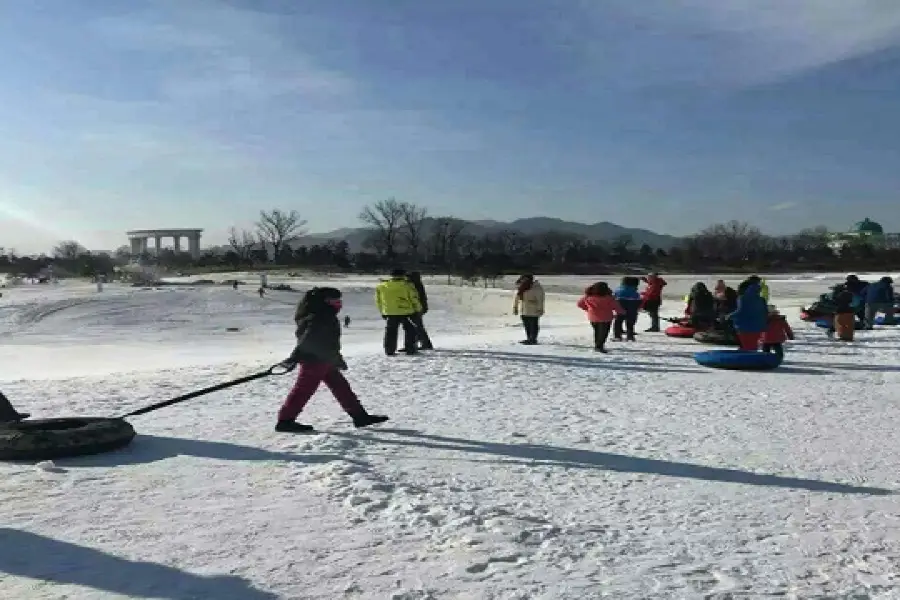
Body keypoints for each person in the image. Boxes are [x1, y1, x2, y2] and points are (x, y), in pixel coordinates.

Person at [277, 287, 388, 433]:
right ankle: (285, 421)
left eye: (339, 300)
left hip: (325, 359)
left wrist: (336, 358)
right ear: (324, 301)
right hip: (314, 360)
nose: (339, 303)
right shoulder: (320, 316)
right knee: (303, 390)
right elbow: (307, 340)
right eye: (335, 300)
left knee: (341, 387)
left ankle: (360, 417)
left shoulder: (321, 314)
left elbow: (328, 342)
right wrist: (294, 357)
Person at [375, 268, 422, 355]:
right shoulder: (407, 285)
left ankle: (389, 350)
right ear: (403, 275)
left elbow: (378, 301)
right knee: (410, 329)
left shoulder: (381, 286)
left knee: (390, 331)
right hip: (406, 311)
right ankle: (410, 348)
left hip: (390, 312)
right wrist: (418, 309)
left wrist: (382, 311)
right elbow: (414, 298)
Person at [577, 282, 624, 353]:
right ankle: (599, 346)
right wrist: (622, 312)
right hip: (606, 318)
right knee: (603, 333)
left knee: (597, 331)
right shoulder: (609, 298)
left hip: (593, 317)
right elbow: (616, 307)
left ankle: (597, 345)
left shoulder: (588, 297)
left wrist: (587, 309)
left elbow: (579, 304)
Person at [728, 280, 768, 351]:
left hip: (744, 327)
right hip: (757, 327)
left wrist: (729, 316)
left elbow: (740, 311)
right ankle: (750, 357)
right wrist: (764, 326)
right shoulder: (762, 300)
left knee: (746, 345)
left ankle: (745, 358)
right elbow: (765, 313)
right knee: (753, 345)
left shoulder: (742, 298)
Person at [512, 274, 545, 344]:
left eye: (525, 279)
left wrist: (540, 308)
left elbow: (540, 299)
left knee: (533, 325)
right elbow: (516, 298)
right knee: (527, 325)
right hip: (524, 309)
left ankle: (533, 339)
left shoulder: (536, 287)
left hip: (534, 309)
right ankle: (529, 338)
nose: (524, 280)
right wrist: (515, 307)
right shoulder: (521, 287)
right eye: (523, 279)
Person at [406, 271, 434, 350]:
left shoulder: (414, 285)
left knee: (417, 327)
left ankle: (425, 344)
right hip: (418, 308)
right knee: (416, 326)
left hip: (416, 308)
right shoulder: (417, 284)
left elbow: (417, 298)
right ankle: (418, 343)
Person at [613, 276, 642, 341]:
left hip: (620, 309)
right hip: (632, 309)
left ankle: (617, 336)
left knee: (618, 322)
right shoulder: (635, 293)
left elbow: (613, 299)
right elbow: (638, 301)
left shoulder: (618, 290)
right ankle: (630, 336)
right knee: (630, 323)